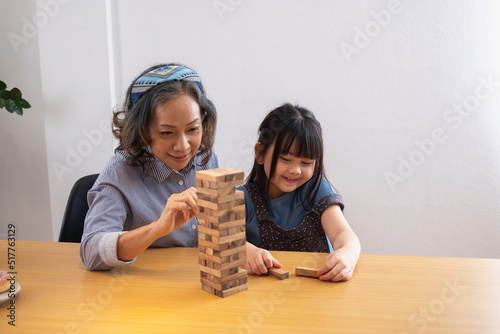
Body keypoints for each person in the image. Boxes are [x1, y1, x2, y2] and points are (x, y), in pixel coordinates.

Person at [80, 63, 218, 271]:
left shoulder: (206, 159)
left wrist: (242, 247)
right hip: (142, 292)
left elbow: (214, 230)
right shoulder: (119, 173)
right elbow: (91, 252)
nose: (183, 146)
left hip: (197, 284)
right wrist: (157, 228)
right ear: (142, 130)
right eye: (166, 133)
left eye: (193, 129)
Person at [241, 103, 361, 281]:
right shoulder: (244, 198)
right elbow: (218, 241)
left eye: (306, 163)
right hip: (264, 297)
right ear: (260, 153)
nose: (296, 170)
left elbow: (344, 234)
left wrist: (347, 256)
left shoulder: (316, 189)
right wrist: (247, 252)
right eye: (285, 159)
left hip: (317, 295)